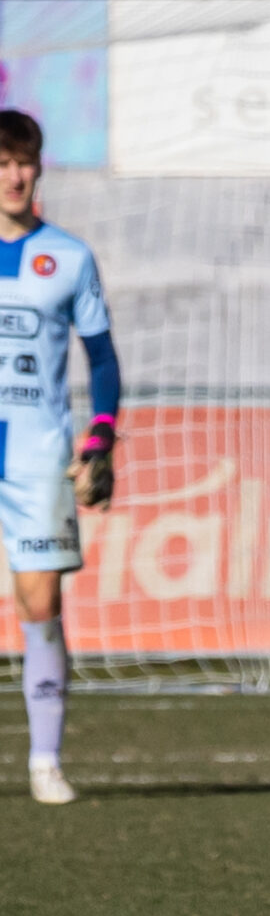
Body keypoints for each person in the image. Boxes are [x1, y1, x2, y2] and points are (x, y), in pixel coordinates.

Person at [0, 112, 116, 806]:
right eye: (2, 163)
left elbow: (101, 357)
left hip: (37, 453)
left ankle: (45, 759)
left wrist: (101, 434)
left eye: (24, 162)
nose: (14, 175)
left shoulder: (69, 257)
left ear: (39, 168)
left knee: (40, 601)